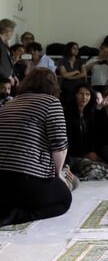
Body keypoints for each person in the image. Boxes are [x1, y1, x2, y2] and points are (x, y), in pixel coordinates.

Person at [0, 68, 73, 226]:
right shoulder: (51, 102)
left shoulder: (9, 103)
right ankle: (18, 215)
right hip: (25, 181)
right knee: (64, 197)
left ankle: (10, 206)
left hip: (2, 182)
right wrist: (58, 175)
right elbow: (59, 146)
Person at [0, 19, 17, 85]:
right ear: (7, 30)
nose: (13, 34)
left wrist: (13, 75)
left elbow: (7, 63)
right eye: (12, 31)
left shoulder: (4, 44)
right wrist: (8, 77)